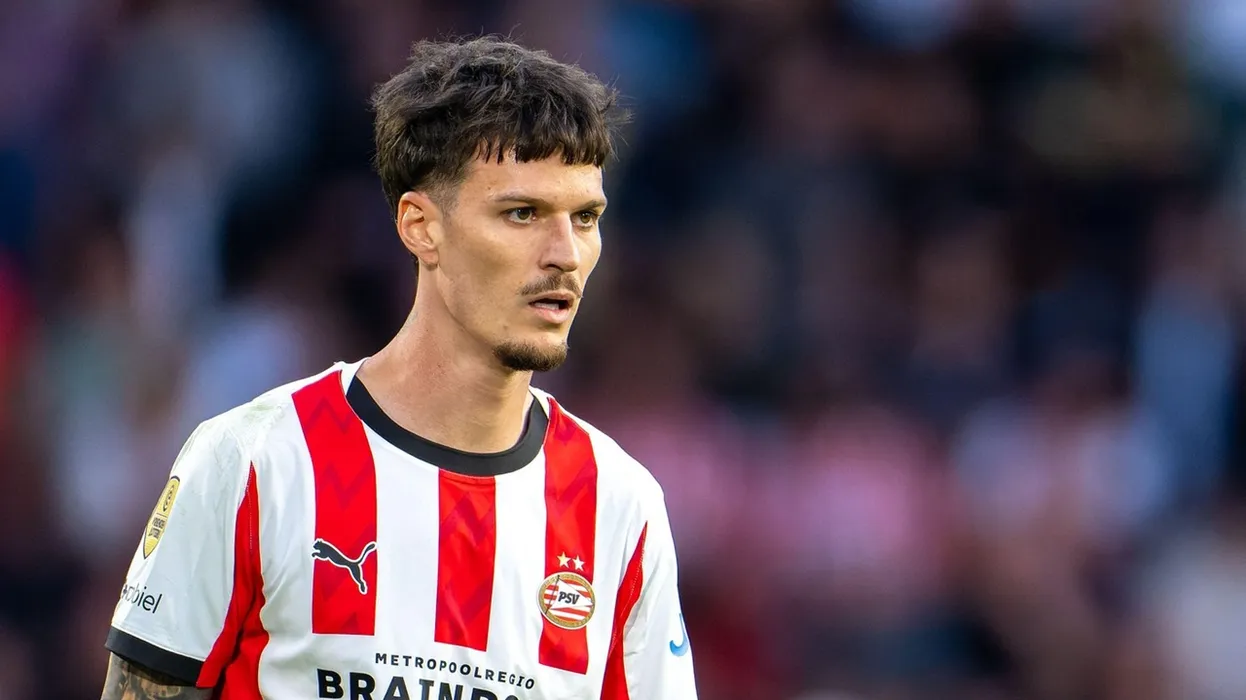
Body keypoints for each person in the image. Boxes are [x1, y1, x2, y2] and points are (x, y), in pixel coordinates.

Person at [100, 37, 698, 700]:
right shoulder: (253, 462)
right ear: (420, 226)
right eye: (522, 214)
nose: (565, 253)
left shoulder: (622, 507)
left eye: (585, 218)